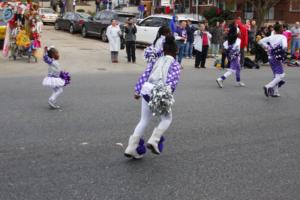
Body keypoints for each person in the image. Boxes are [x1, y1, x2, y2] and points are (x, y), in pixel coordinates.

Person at [124, 36, 181, 159]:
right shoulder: (175, 64)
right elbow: (172, 82)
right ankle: (154, 140)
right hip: (160, 93)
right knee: (167, 119)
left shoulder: (155, 60)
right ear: (176, 51)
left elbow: (145, 75)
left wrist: (137, 91)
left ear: (164, 50)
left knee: (144, 119)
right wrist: (166, 98)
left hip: (146, 90)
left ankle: (131, 147)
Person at [259, 23, 287, 97]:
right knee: (281, 75)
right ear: (280, 29)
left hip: (270, 58)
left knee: (276, 75)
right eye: (282, 28)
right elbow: (284, 46)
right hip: (277, 58)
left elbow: (260, 41)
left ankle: (275, 92)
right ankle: (268, 86)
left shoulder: (271, 37)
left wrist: (268, 47)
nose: (283, 29)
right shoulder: (283, 37)